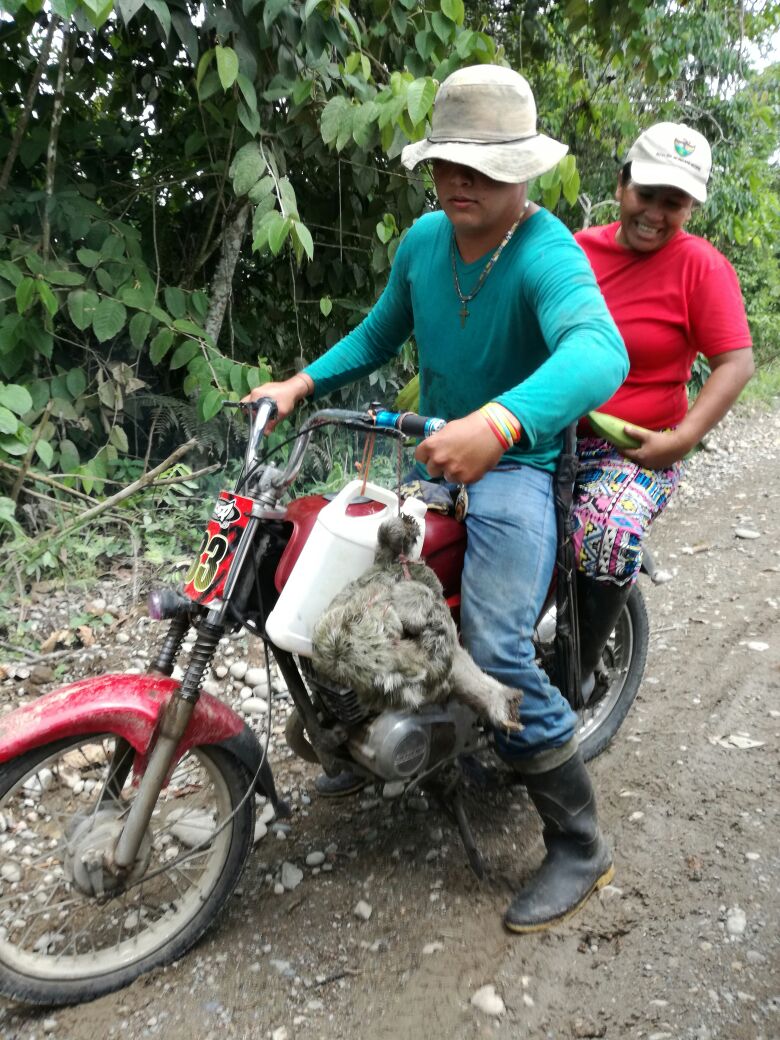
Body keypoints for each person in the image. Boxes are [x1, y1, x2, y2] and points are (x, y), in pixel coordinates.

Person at [246, 65, 629, 932]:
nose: (460, 181)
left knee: (495, 646)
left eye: (484, 166)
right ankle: (368, 727)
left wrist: (497, 425)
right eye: (448, 162)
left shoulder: (547, 252)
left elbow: (600, 353)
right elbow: (382, 330)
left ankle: (579, 843)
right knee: (330, 574)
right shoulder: (424, 240)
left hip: (517, 469)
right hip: (435, 456)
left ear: (525, 170)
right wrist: (300, 382)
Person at [572, 123, 754, 684]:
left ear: (690, 208)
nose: (654, 212)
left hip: (636, 449)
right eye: (646, 194)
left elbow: (735, 363)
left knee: (607, 532)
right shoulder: (577, 252)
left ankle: (570, 679)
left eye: (672, 202)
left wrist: (680, 440)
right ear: (621, 184)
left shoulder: (701, 266)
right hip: (551, 432)